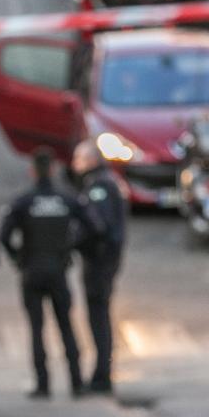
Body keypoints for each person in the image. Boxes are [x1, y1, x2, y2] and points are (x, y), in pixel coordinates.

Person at [1, 148, 98, 399]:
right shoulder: (67, 199)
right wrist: (71, 247)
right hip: (58, 271)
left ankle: (42, 385)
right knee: (66, 326)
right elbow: (94, 226)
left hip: (32, 271)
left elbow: (2, 234)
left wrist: (17, 258)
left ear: (33, 171)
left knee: (37, 329)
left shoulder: (24, 201)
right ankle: (76, 383)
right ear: (53, 169)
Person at [71, 141, 126, 395]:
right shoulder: (102, 182)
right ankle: (101, 373)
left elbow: (98, 226)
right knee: (98, 317)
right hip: (102, 261)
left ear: (92, 160)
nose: (75, 165)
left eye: (79, 159)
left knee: (99, 318)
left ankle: (102, 376)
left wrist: (71, 242)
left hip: (100, 263)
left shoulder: (99, 186)